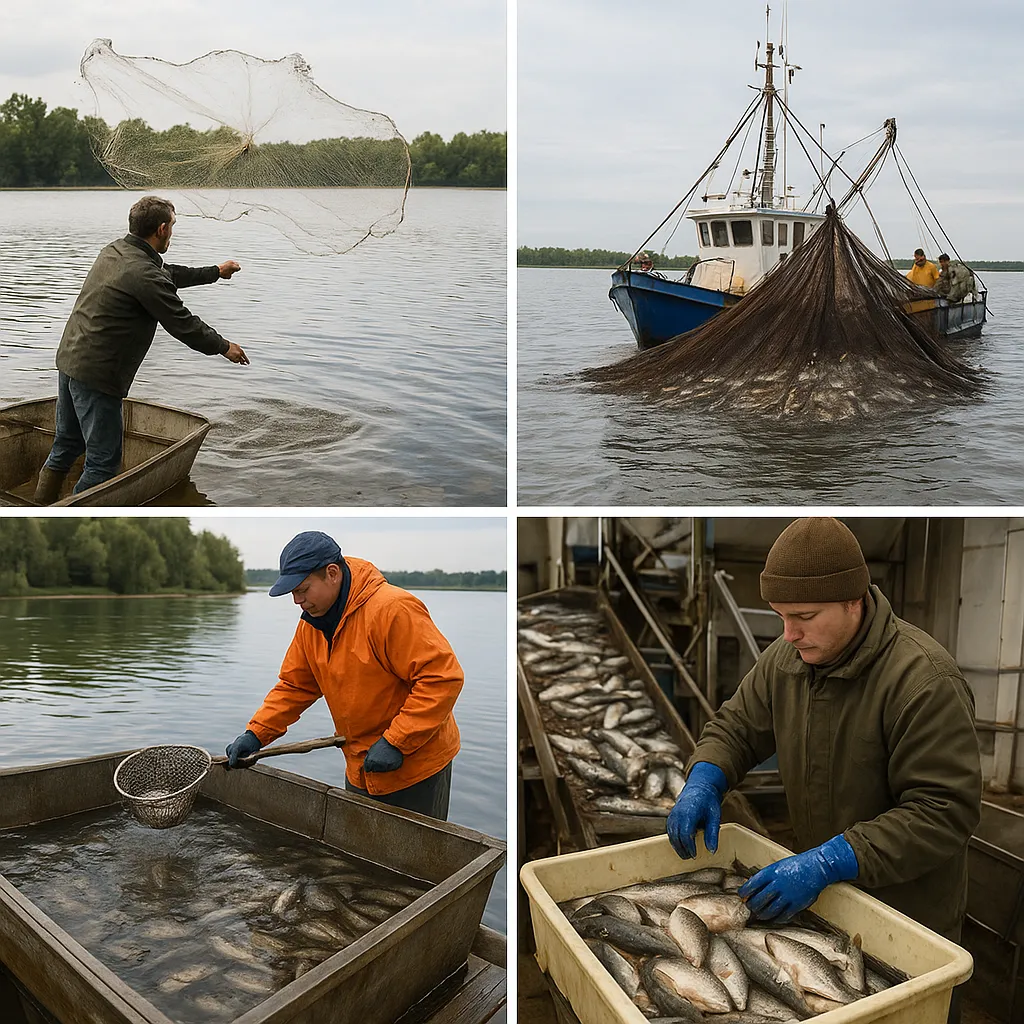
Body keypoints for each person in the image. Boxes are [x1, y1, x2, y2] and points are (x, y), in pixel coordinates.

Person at [666, 518, 980, 1019]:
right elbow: (737, 728)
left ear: (853, 601)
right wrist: (705, 776)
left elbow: (944, 811)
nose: (789, 633)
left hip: (908, 919)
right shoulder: (786, 660)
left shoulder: (923, 681)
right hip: (823, 908)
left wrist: (831, 860)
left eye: (805, 616)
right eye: (781, 617)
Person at [225, 531, 464, 820]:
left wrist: (397, 742)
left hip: (416, 766)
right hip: (360, 764)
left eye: (303, 589)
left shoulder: (392, 609)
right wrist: (256, 734)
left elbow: (442, 678)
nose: (297, 600)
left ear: (332, 573)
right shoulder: (311, 625)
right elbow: (295, 686)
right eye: (292, 593)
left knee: (416, 847)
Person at [33, 195, 250, 504]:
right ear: (161, 229)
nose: (172, 232)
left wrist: (215, 272)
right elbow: (182, 323)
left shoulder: (116, 251)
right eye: (172, 225)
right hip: (98, 375)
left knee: (66, 443)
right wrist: (224, 346)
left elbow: (167, 274)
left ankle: (41, 503)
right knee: (103, 464)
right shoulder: (144, 273)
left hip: (70, 361)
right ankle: (65, 518)